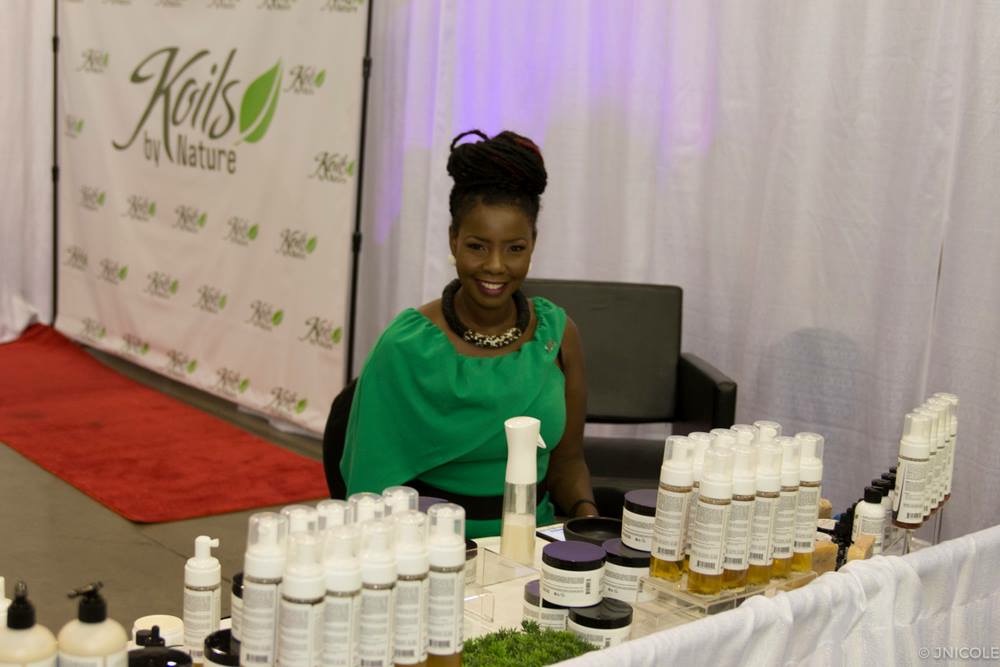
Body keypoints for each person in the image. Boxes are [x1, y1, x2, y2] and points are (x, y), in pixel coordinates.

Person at [339, 129, 596, 538]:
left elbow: (568, 463)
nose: (495, 265)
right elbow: (368, 489)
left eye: (515, 248)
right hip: (428, 548)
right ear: (453, 239)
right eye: (477, 246)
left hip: (532, 545)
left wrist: (588, 520)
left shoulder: (558, 337)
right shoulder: (406, 346)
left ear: (533, 244)